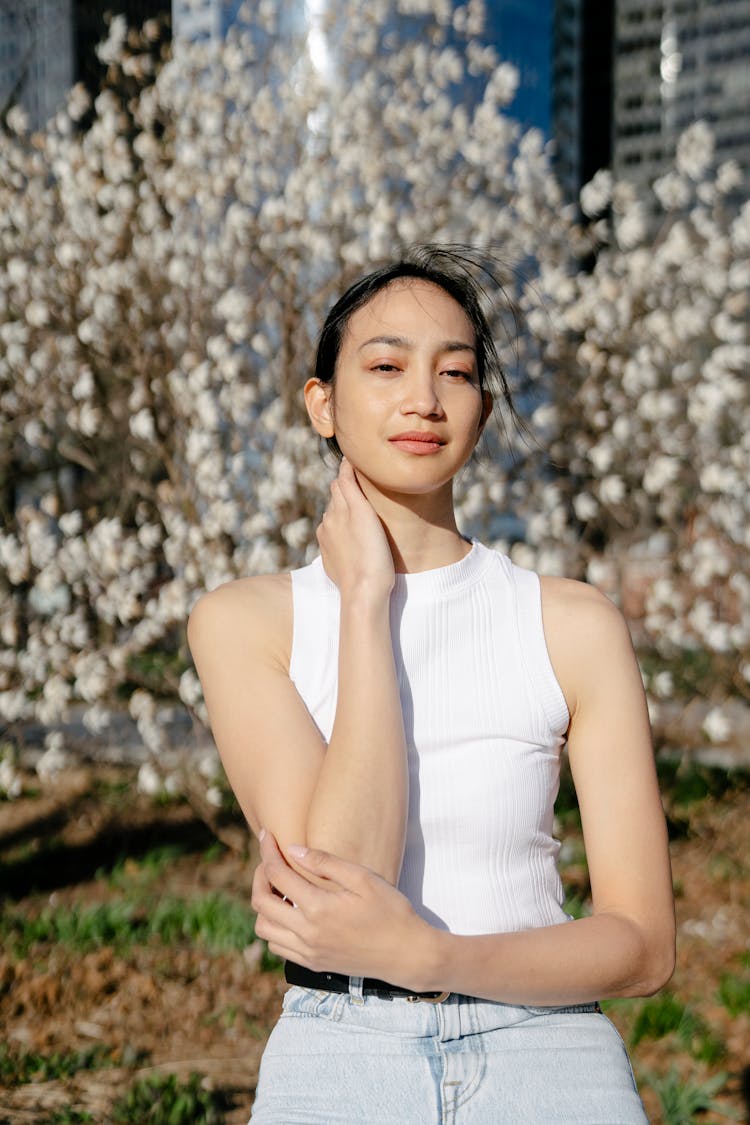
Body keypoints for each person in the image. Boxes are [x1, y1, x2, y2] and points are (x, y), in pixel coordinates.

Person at [187, 246, 675, 1124]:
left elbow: (642, 947)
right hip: (341, 1052)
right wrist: (366, 605)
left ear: (481, 411)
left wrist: (432, 957)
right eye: (386, 366)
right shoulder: (244, 621)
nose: (424, 398)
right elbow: (344, 877)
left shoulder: (570, 623)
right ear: (321, 405)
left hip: (548, 1050)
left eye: (455, 372)